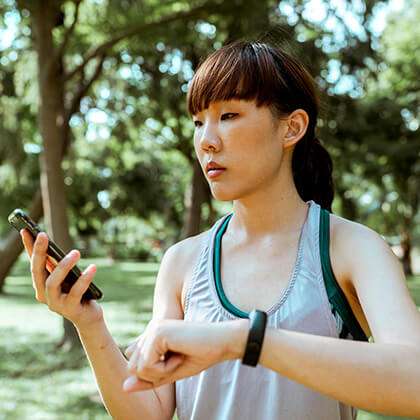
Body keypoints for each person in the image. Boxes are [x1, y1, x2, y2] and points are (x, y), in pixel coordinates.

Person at [21, 40, 420, 420]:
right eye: (198, 122)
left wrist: (245, 340)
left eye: (228, 116)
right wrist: (89, 323)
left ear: (292, 127)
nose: (206, 141)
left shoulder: (351, 248)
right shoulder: (182, 261)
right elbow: (149, 409)